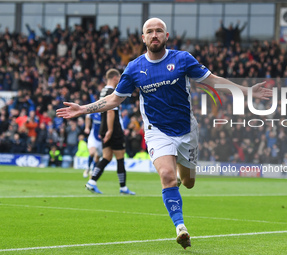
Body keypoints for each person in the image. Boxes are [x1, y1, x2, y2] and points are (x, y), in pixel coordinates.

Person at [56, 17, 272, 249]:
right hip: (156, 131)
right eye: (150, 31)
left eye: (159, 31)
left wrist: (246, 92)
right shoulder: (134, 68)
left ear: (166, 36)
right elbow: (115, 99)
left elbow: (213, 82)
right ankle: (180, 227)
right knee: (167, 176)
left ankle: (181, 178)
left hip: (187, 131)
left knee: (188, 182)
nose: (155, 35)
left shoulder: (182, 59)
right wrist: (83, 109)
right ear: (143, 38)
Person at [85, 68, 135, 195]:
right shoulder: (112, 92)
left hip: (103, 127)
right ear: (115, 78)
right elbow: (110, 111)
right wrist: (111, 130)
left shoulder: (102, 91)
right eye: (119, 78)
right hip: (113, 129)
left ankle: (92, 182)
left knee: (106, 157)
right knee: (120, 158)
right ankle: (123, 188)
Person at [83, 112, 102, 178]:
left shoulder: (108, 113)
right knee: (92, 153)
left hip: (102, 138)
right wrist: (87, 127)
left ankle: (93, 172)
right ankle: (88, 168)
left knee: (97, 157)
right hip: (93, 136)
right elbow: (87, 116)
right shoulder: (95, 111)